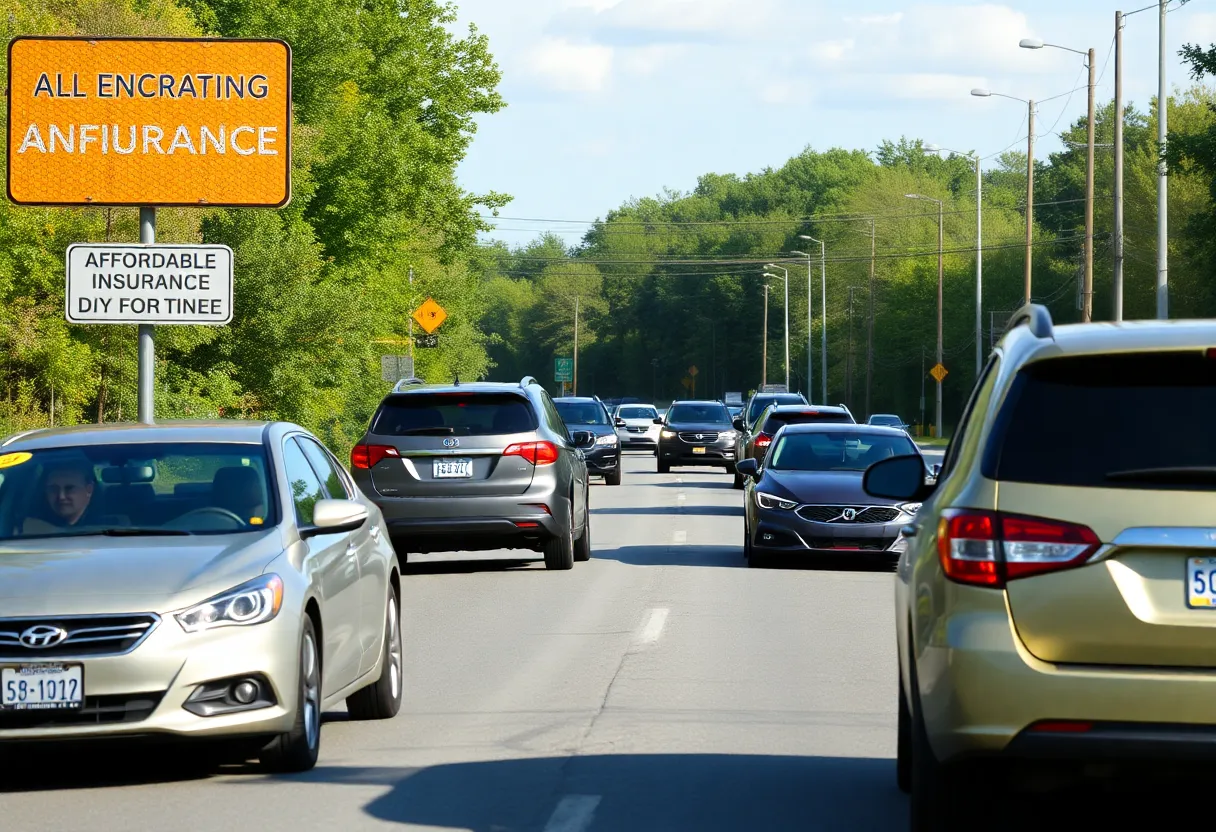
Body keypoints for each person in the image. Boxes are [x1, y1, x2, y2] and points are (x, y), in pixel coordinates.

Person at [22, 460, 99, 533]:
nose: (61, 496)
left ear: (89, 490)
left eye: (69, 488)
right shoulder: (28, 527)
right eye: (54, 489)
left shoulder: (106, 523)